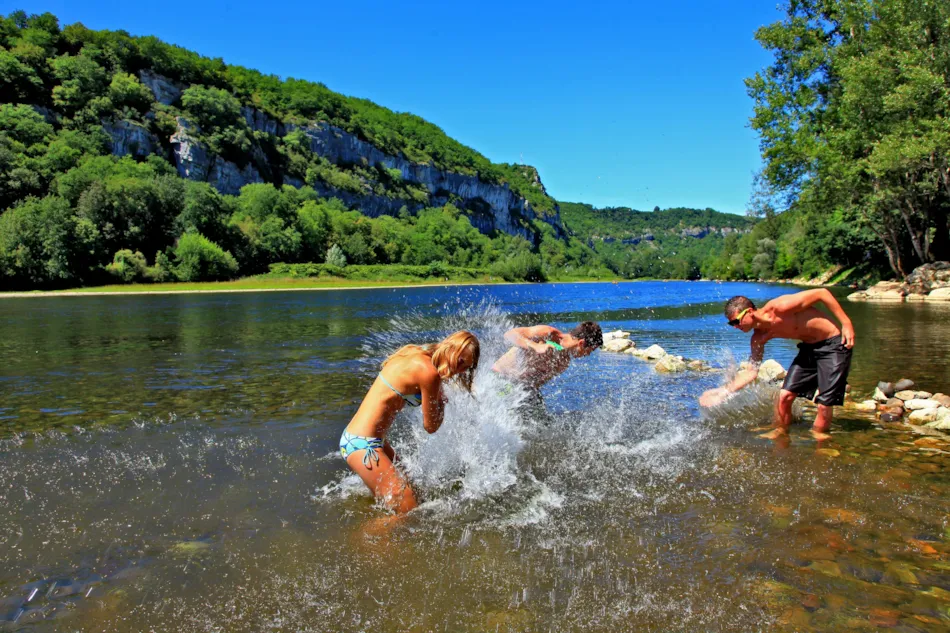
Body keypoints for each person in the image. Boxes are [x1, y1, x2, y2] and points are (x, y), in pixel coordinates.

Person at [340, 331, 480, 513]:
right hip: (363, 445)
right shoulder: (429, 373)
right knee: (407, 510)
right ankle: (357, 534)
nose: (459, 370)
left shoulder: (416, 352)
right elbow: (431, 426)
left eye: (465, 368)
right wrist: (441, 403)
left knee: (414, 493)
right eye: (460, 361)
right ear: (451, 347)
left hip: (372, 441)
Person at [699, 291, 855, 441]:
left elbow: (822, 293)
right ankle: (781, 433)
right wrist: (724, 391)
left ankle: (821, 443)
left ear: (750, 312)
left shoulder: (781, 307)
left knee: (824, 404)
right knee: (784, 396)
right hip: (809, 348)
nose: (735, 327)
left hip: (834, 344)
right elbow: (751, 372)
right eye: (731, 323)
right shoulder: (758, 337)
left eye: (736, 321)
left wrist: (846, 323)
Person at [491, 322, 603, 402]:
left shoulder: (563, 363)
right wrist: (535, 346)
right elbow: (509, 334)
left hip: (522, 389)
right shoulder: (549, 333)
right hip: (499, 378)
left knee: (543, 421)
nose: (588, 355)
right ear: (581, 343)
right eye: (590, 350)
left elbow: (535, 385)